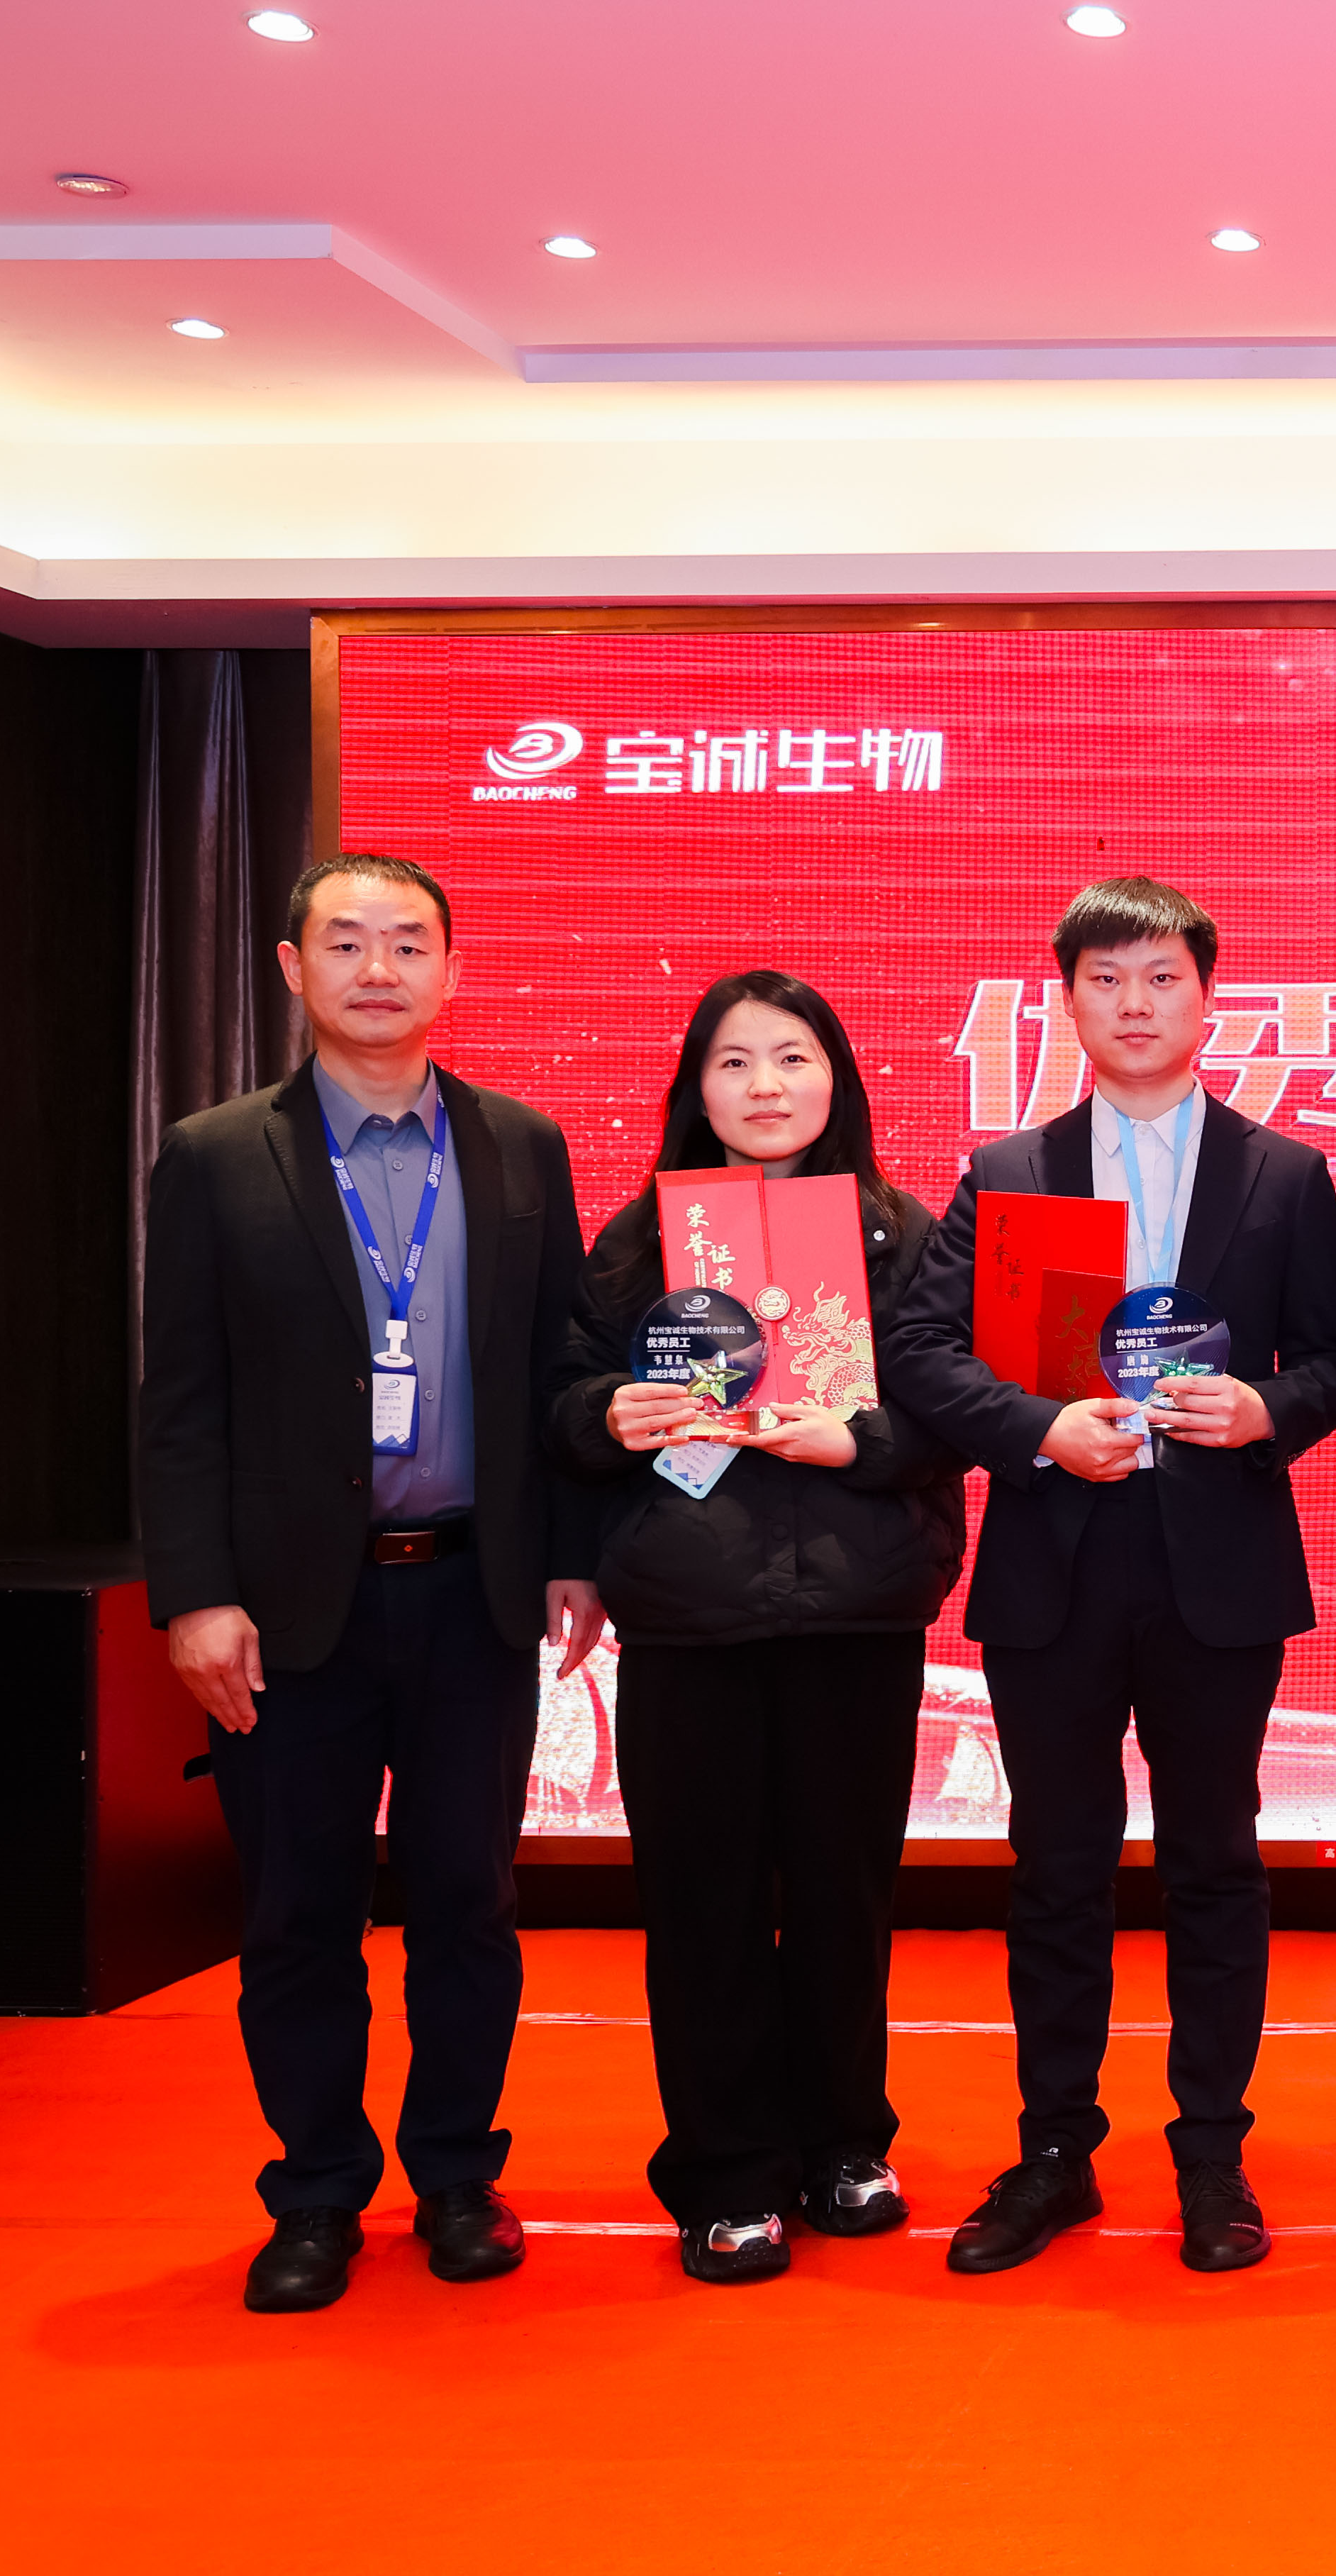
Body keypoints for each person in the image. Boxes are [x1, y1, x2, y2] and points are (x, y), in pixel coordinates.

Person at [138, 854, 605, 2314]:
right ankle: (318, 2192)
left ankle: (458, 2175)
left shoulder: (522, 1146)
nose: (379, 969)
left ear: (452, 969)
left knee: (469, 1899)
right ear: (294, 969)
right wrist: (194, 1593)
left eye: (409, 943)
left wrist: (575, 1554)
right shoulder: (217, 1155)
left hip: (473, 1594)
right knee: (299, 1911)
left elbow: (558, 1371)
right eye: (346, 943)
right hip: (287, 1611)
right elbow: (181, 1400)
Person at [889, 879, 1336, 2277]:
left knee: (1217, 1861)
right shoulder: (1011, 1170)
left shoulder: (1284, 1175)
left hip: (1218, 1561)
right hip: (1058, 1555)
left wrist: (1267, 1410)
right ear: (1067, 1002)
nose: (1135, 1005)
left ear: (1209, 1000)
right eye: (1105, 981)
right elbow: (922, 1351)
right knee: (1057, 1866)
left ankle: (1211, 2153)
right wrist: (1040, 1429)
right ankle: (1053, 2151)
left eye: (1161, 979)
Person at [547, 972, 966, 2284]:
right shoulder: (635, 1242)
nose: (767, 1085)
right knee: (704, 1902)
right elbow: (560, 1400)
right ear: (696, 1089)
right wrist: (605, 1413)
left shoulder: (905, 1235)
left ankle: (844, 2145)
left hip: (856, 1605)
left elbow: (958, 1404)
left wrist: (863, 1440)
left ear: (838, 1078)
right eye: (734, 1062)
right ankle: (726, 2173)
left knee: (845, 1892)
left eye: (794, 1057)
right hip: (690, 1616)